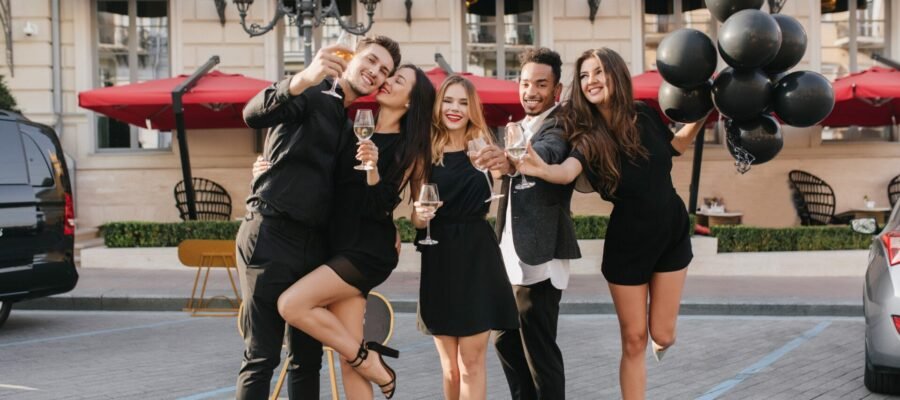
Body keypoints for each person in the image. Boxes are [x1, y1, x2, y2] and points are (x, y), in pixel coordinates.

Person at [515, 48, 706, 400]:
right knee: (634, 340)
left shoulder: (645, 114)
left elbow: (675, 146)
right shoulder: (588, 136)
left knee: (663, 335)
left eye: (598, 72)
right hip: (628, 244)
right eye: (585, 76)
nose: (591, 81)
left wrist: (704, 113)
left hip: (671, 231)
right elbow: (567, 171)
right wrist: (541, 169)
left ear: (616, 74)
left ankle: (660, 340)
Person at [236, 35, 401, 400]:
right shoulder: (311, 93)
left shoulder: (350, 123)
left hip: (315, 248)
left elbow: (348, 196)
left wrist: (385, 226)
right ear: (352, 56)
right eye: (370, 60)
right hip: (271, 232)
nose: (374, 72)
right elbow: (252, 114)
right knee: (261, 357)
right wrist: (304, 77)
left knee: (306, 361)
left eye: (384, 70)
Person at [268, 64, 434, 400]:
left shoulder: (408, 148)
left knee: (291, 305)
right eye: (390, 76)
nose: (386, 82)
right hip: (335, 244)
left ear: (410, 103)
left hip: (366, 250)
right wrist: (269, 169)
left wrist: (373, 170)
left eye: (397, 81)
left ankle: (370, 360)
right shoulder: (357, 128)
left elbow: (381, 207)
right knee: (348, 359)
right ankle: (365, 358)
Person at [474, 47, 581, 400]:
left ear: (557, 89)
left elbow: (548, 153)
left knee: (539, 352)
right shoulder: (517, 126)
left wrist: (508, 160)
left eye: (540, 84)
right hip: (507, 254)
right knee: (505, 341)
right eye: (525, 83)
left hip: (540, 254)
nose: (531, 91)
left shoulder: (561, 124)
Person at [413, 75, 519, 400]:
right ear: (438, 105)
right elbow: (416, 218)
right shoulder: (424, 151)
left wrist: (508, 162)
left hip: (477, 257)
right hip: (439, 255)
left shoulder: (484, 148)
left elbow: (511, 171)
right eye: (448, 100)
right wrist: (421, 214)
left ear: (472, 108)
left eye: (462, 102)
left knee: (471, 362)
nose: (454, 108)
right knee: (450, 367)